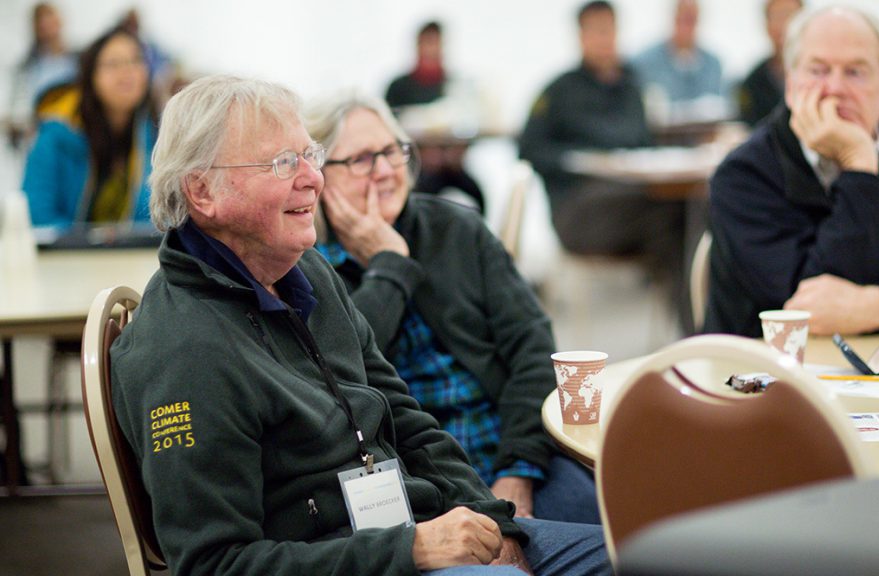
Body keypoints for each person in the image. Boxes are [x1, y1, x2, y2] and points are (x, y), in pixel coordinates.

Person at [110, 74, 610, 576]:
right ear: (202, 192)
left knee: (643, 552)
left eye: (311, 155)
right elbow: (215, 565)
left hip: (418, 524)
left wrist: (491, 519)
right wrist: (410, 549)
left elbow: (406, 417)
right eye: (283, 163)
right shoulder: (183, 353)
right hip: (367, 556)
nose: (312, 178)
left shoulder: (306, 274)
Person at [307, 92, 600, 525]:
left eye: (393, 151)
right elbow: (338, 370)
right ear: (318, 175)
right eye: (362, 159)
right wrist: (391, 265)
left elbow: (532, 350)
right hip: (412, 484)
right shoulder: (307, 269)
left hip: (505, 450)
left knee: (611, 527)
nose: (386, 170)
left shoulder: (455, 229)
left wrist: (519, 468)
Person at [704, 5, 879, 338]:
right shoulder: (743, 176)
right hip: (763, 376)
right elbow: (810, 313)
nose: (834, 88)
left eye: (855, 71)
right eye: (818, 70)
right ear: (792, 86)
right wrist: (858, 166)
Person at [518, 0, 692, 334]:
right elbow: (529, 149)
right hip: (581, 211)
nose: (604, 39)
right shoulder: (560, 91)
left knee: (689, 212)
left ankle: (693, 333)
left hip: (636, 203)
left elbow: (645, 143)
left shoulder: (632, 86)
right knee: (678, 216)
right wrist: (576, 161)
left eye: (609, 30)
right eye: (595, 31)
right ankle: (697, 333)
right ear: (580, 36)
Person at [21, 26, 157, 230]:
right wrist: (95, 242)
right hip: (66, 256)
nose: (128, 71)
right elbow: (37, 217)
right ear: (91, 74)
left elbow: (158, 217)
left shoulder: (152, 134)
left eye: (136, 60)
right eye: (113, 63)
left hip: (129, 257)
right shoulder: (55, 133)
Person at [385, 21, 486, 214]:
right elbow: (388, 131)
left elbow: (467, 124)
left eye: (436, 44)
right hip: (415, 167)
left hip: (451, 165)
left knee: (477, 193)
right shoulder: (399, 87)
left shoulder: (455, 85)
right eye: (427, 43)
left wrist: (455, 154)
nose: (432, 50)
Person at [6, 2, 78, 149]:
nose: (47, 26)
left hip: (75, 133)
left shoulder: (79, 60)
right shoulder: (26, 68)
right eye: (42, 23)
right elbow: (18, 110)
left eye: (50, 19)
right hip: (40, 138)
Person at [631, 0, 724, 106]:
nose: (687, 28)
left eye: (691, 21)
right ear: (674, 19)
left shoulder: (712, 65)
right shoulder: (644, 63)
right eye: (683, 20)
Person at [736, 0, 804, 126]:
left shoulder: (825, 77)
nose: (787, 25)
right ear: (767, 25)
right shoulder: (753, 82)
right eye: (779, 16)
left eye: (792, 15)